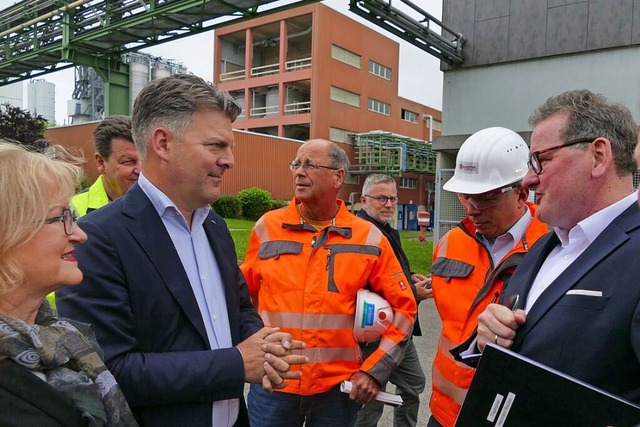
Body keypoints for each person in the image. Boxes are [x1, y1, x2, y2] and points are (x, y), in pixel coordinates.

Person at [56, 74, 307, 427]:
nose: (230, 161)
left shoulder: (214, 226)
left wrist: (261, 343)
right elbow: (109, 370)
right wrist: (236, 364)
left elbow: (238, 309)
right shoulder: (99, 239)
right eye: (216, 146)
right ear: (162, 143)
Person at [468, 89, 640, 406]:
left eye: (541, 161)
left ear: (599, 156)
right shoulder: (544, 246)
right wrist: (486, 338)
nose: (528, 180)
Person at [240, 139, 418, 427]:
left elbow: (405, 310)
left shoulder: (369, 238)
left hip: (337, 391)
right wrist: (251, 353)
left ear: (338, 176)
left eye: (309, 164)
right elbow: (241, 301)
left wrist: (374, 371)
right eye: (296, 164)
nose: (299, 171)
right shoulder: (267, 228)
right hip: (273, 384)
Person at [0, 141, 138, 426]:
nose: (79, 234)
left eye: (72, 216)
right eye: (61, 217)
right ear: (7, 233)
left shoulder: (62, 338)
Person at [428, 127, 549, 427]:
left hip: (509, 416)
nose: (472, 209)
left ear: (522, 193)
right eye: (467, 197)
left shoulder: (552, 249)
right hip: (444, 414)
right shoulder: (449, 244)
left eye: (485, 198)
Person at [354, 173, 430, 427]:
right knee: (371, 394)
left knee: (413, 383)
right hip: (374, 329)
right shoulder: (360, 234)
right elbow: (362, 284)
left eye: (392, 199)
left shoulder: (387, 231)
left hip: (399, 329)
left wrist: (409, 277)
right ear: (364, 200)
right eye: (381, 198)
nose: (388, 204)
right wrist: (413, 292)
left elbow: (389, 274)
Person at [71, 115, 140, 216]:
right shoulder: (72, 212)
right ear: (101, 162)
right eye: (128, 161)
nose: (140, 170)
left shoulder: (161, 204)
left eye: (145, 160)